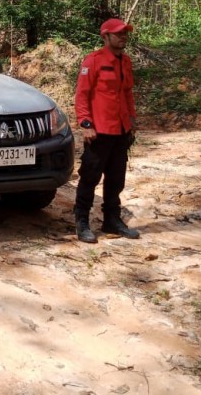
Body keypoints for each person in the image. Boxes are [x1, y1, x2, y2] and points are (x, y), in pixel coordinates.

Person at [73, 18, 140, 243]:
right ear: (106, 36)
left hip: (121, 129)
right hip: (99, 130)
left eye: (125, 34)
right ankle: (82, 221)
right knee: (90, 177)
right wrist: (86, 124)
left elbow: (127, 93)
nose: (123, 37)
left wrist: (132, 120)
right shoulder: (93, 61)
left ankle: (112, 220)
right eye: (118, 34)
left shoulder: (126, 62)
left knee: (116, 178)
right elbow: (82, 95)